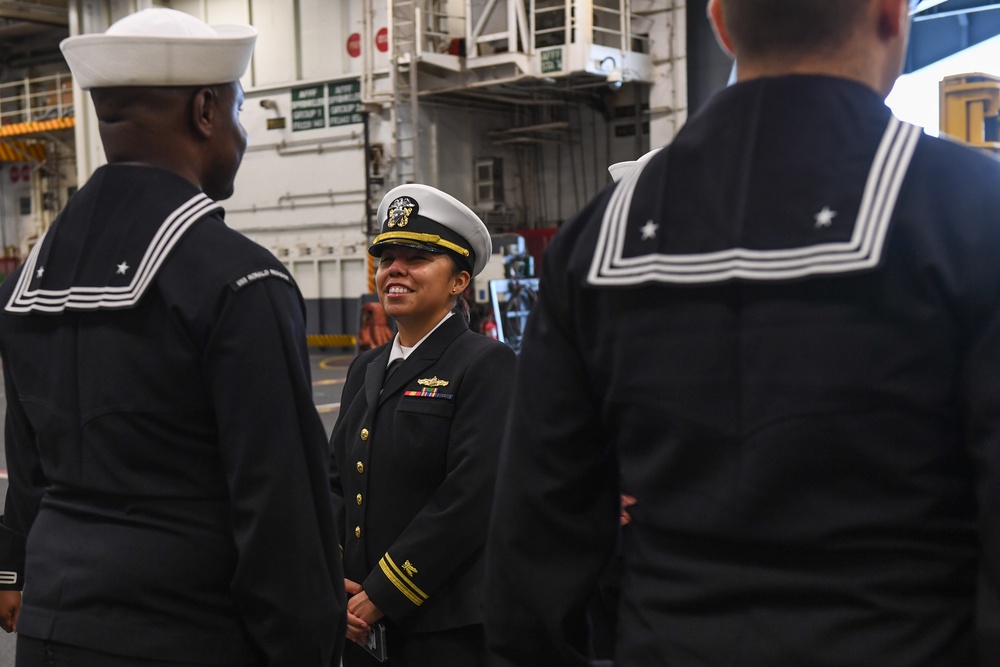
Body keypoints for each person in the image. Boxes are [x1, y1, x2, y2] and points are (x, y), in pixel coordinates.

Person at [485, 0, 1000, 664]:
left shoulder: (600, 236)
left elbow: (533, 545)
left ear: (721, 23)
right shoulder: (971, 214)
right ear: (891, 14)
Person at [0, 8, 345, 666]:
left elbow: (28, 470)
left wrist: (10, 569)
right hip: (187, 631)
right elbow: (281, 516)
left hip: (52, 631)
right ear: (206, 111)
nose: (240, 133)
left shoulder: (26, 284)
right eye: (239, 111)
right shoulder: (240, 281)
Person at [330, 184, 516, 666]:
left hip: (442, 624)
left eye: (417, 257)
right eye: (387, 257)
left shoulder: (485, 364)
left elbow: (471, 496)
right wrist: (335, 577)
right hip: (356, 618)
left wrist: (384, 593)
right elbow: (333, 481)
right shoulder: (365, 368)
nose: (395, 268)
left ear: (459, 281)